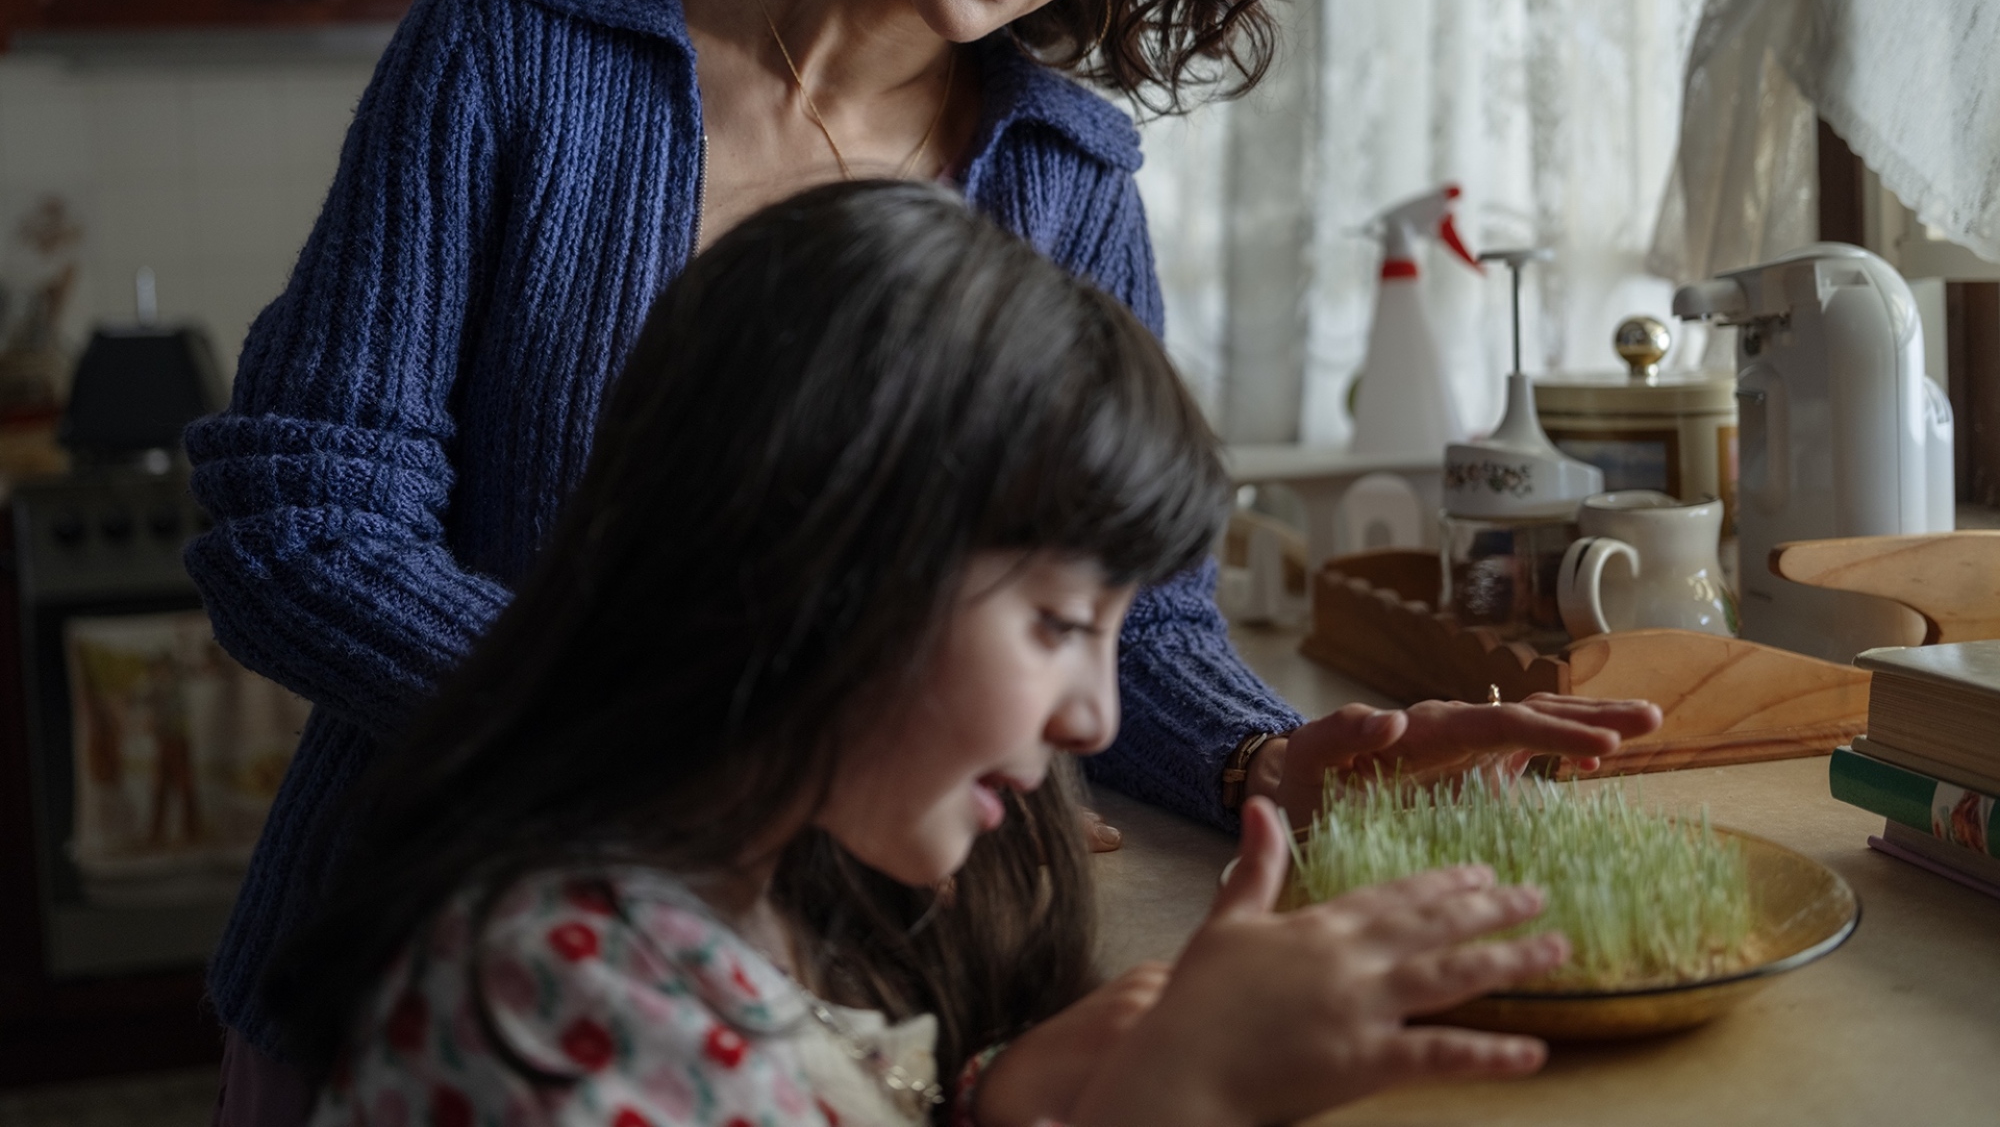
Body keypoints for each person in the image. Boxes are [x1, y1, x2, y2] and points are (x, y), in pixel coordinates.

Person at [186, 0, 1660, 1113]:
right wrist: (743, 758)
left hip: (838, 1018)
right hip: (438, 977)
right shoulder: (518, 44)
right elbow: (302, 529)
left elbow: (1115, 617)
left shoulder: (1068, 180)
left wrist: (1254, 759)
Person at [271, 180, 1577, 1127]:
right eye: (1062, 625)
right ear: (816, 565)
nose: (1096, 721)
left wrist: (1003, 1104)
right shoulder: (558, 1018)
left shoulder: (733, 919)